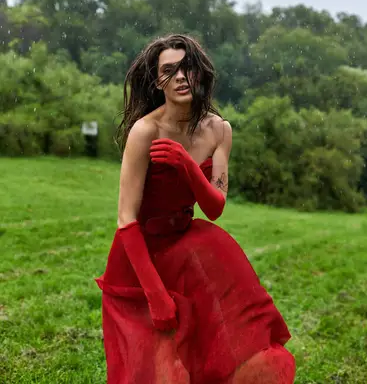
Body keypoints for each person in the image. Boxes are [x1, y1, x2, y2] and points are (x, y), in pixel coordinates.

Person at [95, 34, 295, 384]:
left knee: (216, 342)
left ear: (199, 73)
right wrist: (156, 296)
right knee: (158, 367)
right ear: (158, 82)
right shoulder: (145, 131)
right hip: (140, 258)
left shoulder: (220, 129)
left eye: (186, 67)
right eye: (169, 71)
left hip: (187, 249)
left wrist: (186, 166)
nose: (180, 77)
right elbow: (126, 220)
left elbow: (215, 207)